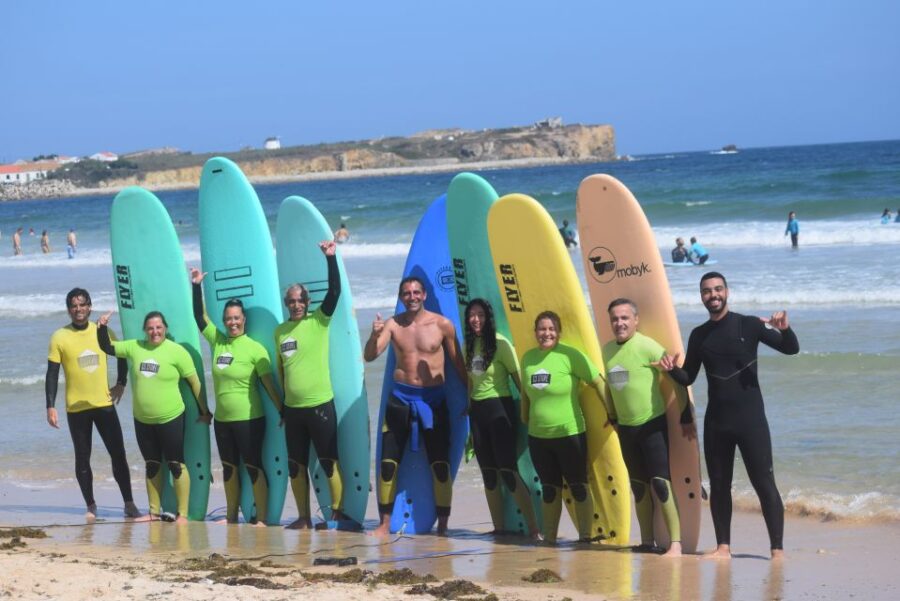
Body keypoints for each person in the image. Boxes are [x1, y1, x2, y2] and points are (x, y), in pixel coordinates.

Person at [656, 272, 798, 560]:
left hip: (751, 421)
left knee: (764, 482)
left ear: (727, 292)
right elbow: (688, 377)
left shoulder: (749, 324)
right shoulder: (699, 334)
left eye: (718, 289)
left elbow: (790, 349)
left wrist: (785, 329)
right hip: (717, 422)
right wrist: (670, 369)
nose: (713, 295)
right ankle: (723, 547)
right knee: (719, 485)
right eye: (707, 291)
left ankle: (777, 550)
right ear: (701, 296)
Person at [364, 275, 466, 536]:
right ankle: (384, 524)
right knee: (388, 465)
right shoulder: (393, 325)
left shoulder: (442, 325)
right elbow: (370, 355)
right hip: (399, 400)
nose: (412, 297)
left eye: (416, 292)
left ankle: (443, 524)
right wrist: (374, 335)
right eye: (407, 293)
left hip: (434, 402)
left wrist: (472, 396)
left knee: (440, 465)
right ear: (401, 297)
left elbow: (458, 364)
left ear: (424, 295)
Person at [601, 298, 696, 557]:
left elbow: (677, 379)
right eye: (615, 319)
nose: (619, 323)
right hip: (626, 429)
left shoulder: (648, 346)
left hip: (652, 425)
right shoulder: (607, 350)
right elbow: (609, 386)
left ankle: (675, 543)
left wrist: (686, 413)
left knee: (660, 482)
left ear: (635, 320)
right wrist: (611, 414)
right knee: (638, 485)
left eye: (624, 318)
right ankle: (646, 541)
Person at [97, 310, 211, 524]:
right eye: (150, 328)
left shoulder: (177, 352)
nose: (155, 331)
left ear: (165, 328)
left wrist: (204, 410)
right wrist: (101, 328)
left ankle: (183, 514)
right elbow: (107, 347)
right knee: (152, 464)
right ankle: (153, 512)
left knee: (176, 464)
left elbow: (195, 383)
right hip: (143, 420)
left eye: (158, 327)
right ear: (145, 330)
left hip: (171, 418)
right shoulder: (135, 347)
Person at [191, 268, 282, 525]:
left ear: (244, 319)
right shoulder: (218, 341)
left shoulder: (256, 349)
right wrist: (196, 286)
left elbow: (268, 385)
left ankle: (262, 518)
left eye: (237, 318)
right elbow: (200, 317)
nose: (232, 322)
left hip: (250, 419)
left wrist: (282, 411)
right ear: (224, 319)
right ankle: (231, 516)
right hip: (223, 420)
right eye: (228, 318)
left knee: (253, 466)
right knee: (229, 468)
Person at [46, 288, 141, 522]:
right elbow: (52, 373)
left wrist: (121, 383)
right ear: (69, 309)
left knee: (118, 453)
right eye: (73, 305)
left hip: (103, 403)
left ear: (90, 306)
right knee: (82, 457)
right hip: (76, 407)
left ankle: (129, 503)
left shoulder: (103, 331)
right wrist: (50, 406)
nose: (78, 309)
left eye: (82, 304)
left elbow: (122, 354)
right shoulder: (59, 336)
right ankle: (90, 505)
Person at [274, 241, 349, 529]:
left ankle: (337, 514)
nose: (295, 304)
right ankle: (304, 517)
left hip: (320, 406)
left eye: (300, 300)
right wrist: (282, 407)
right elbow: (282, 372)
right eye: (291, 301)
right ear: (287, 304)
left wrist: (330, 257)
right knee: (296, 465)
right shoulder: (280, 332)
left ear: (307, 302)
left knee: (329, 461)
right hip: (293, 411)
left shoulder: (319, 321)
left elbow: (335, 292)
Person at [520, 310, 605, 544]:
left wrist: (612, 413)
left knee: (578, 486)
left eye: (551, 329)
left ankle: (585, 537)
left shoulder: (570, 355)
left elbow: (598, 381)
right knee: (549, 489)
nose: (546, 333)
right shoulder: (527, 358)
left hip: (570, 434)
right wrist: (524, 417)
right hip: (538, 437)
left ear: (558, 332)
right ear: (535, 332)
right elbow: (526, 396)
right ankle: (549, 539)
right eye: (542, 329)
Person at [462, 298, 539, 539]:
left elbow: (519, 382)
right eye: (472, 315)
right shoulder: (467, 345)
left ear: (488, 317)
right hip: (478, 412)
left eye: (481, 315)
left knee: (507, 469)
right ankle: (499, 527)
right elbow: (469, 383)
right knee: (488, 471)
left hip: (500, 409)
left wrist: (530, 411)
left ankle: (534, 529)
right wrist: (468, 414)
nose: (476, 319)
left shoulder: (501, 344)